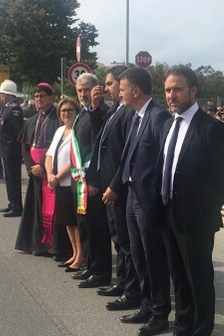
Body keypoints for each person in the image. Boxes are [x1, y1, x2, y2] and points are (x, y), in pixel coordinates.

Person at [153, 65, 224, 336]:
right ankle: (183, 332)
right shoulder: (168, 125)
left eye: (177, 89)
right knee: (180, 279)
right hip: (168, 215)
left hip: (196, 221)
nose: (171, 95)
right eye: (167, 89)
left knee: (199, 282)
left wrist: (205, 212)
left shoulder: (211, 128)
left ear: (193, 91)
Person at [103, 67, 172, 336]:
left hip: (148, 199)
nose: (119, 93)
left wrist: (157, 195)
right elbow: (128, 157)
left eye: (122, 89)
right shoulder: (136, 116)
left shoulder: (158, 117)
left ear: (136, 91)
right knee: (138, 254)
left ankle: (160, 313)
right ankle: (146, 304)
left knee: (154, 257)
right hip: (132, 196)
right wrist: (117, 185)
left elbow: (165, 162)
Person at [85, 65, 139, 302]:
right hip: (107, 183)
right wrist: (95, 109)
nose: (105, 88)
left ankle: (131, 290)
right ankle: (123, 283)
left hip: (119, 187)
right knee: (118, 239)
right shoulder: (115, 109)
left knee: (125, 242)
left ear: (122, 83)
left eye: (109, 84)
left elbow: (126, 154)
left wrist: (115, 185)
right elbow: (101, 142)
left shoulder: (128, 112)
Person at [15, 82, 67, 257]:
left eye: (42, 96)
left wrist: (43, 165)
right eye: (36, 97)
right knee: (36, 208)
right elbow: (25, 146)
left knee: (54, 209)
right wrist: (32, 166)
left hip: (52, 171)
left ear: (51, 98)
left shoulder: (59, 119)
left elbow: (59, 146)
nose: (38, 99)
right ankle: (39, 244)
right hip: (36, 173)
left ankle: (54, 246)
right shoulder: (31, 120)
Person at [70, 73, 111, 288]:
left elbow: (100, 148)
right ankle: (89, 265)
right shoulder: (82, 114)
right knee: (85, 225)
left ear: (97, 88)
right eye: (79, 90)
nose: (83, 94)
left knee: (97, 228)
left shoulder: (101, 112)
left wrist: (94, 179)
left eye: (86, 89)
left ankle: (101, 271)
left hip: (95, 181)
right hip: (81, 180)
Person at [45, 97, 83, 272]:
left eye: (70, 110)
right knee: (67, 221)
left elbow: (74, 159)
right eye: (63, 111)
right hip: (58, 183)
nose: (66, 113)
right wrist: (49, 174)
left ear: (76, 112)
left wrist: (57, 176)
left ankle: (80, 255)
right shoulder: (60, 130)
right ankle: (74, 253)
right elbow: (49, 155)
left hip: (71, 183)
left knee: (75, 222)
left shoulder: (77, 130)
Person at [0, 80, 23, 217]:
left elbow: (18, 131)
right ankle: (12, 203)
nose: (0, 97)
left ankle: (17, 206)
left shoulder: (14, 109)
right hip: (6, 148)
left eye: (1, 94)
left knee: (13, 178)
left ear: (7, 95)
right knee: (9, 178)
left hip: (12, 150)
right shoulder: (7, 107)